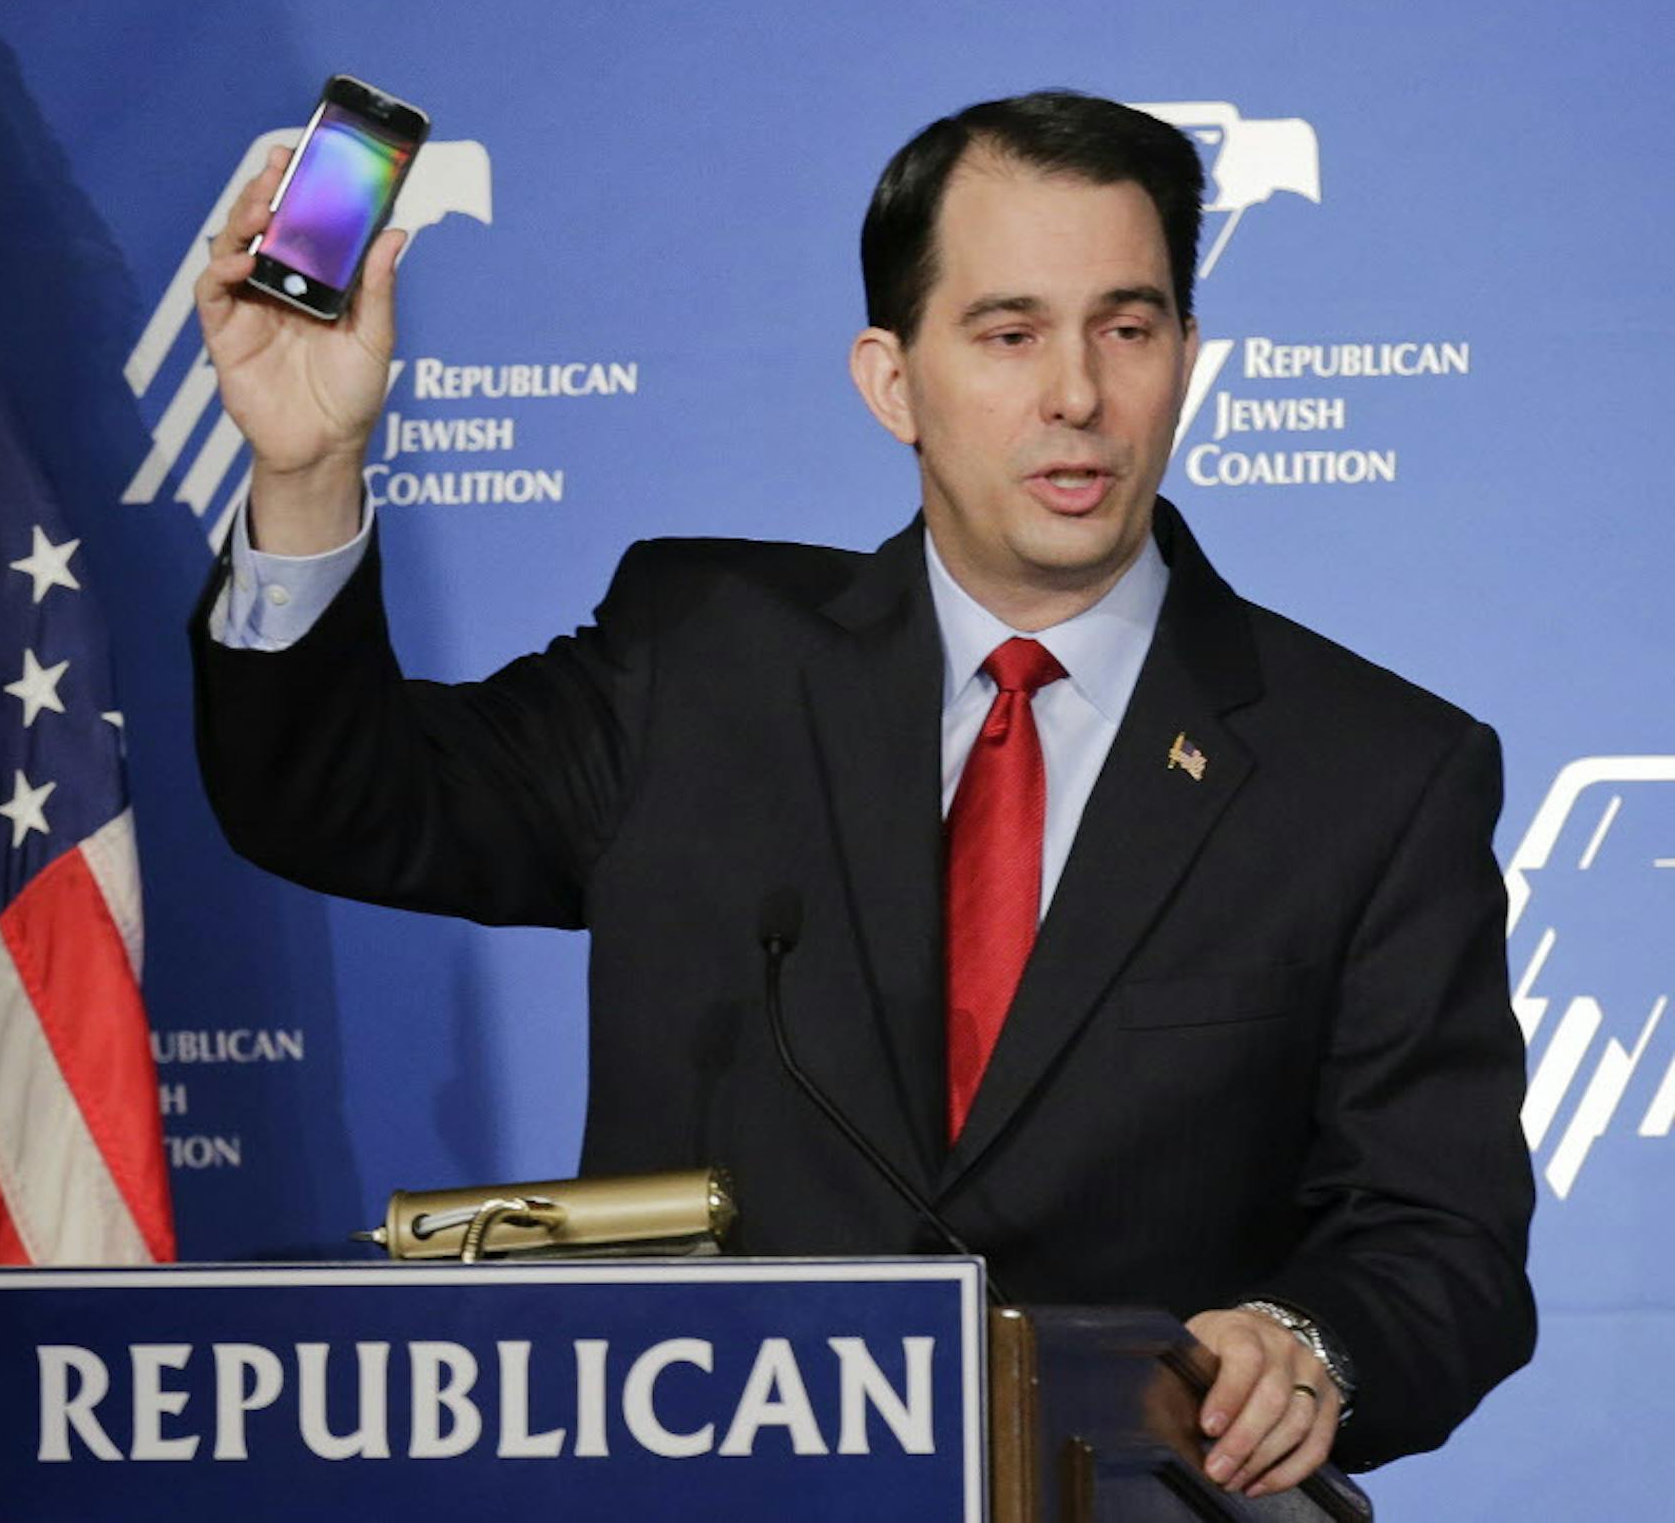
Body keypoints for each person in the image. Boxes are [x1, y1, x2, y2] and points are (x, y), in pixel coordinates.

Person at [187, 92, 1534, 1494]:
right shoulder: (698, 660)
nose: (1076, 393)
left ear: (1186, 359)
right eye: (1009, 333)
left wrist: (1307, 1338)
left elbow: (1444, 1242)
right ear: (891, 379)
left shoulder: (1374, 770)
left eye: (1127, 329)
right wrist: (309, 466)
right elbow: (331, 798)